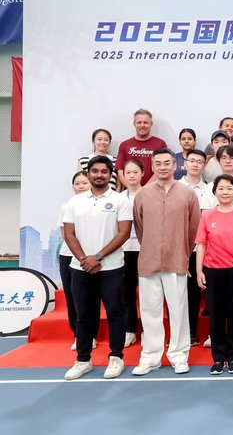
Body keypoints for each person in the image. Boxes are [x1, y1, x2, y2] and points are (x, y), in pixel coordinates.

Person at [131, 148, 201, 376]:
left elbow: (193, 229)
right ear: (152, 167)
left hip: (177, 260)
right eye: (158, 164)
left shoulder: (187, 194)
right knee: (150, 312)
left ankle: (179, 355)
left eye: (166, 163)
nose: (162, 167)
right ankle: (150, 357)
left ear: (174, 165)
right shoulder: (142, 194)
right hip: (148, 261)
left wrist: (183, 253)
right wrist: (151, 246)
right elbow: (139, 228)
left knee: (178, 311)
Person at [62, 156, 132, 380]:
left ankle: (116, 357)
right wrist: (85, 259)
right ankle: (83, 360)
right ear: (88, 173)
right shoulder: (74, 202)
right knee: (83, 315)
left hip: (111, 268)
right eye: (95, 171)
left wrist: (98, 257)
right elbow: (69, 234)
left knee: (115, 313)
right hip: (80, 268)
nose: (99, 175)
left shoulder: (120, 200)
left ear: (110, 175)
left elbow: (124, 233)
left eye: (104, 171)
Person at [195, 175, 233, 375]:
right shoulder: (207, 216)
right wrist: (199, 270)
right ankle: (218, 358)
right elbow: (202, 244)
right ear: (215, 192)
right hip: (213, 271)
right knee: (216, 315)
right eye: (221, 188)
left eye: (229, 188)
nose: (225, 192)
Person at [178, 149, 217, 345]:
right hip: (179, 248)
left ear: (204, 165)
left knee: (196, 291)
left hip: (202, 249)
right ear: (184, 163)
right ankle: (180, 333)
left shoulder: (210, 190)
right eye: (191, 161)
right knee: (178, 292)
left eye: (199, 162)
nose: (195, 164)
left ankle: (194, 332)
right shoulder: (175, 187)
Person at [58, 171, 95, 351]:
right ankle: (78, 335)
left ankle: (92, 334)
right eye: (77, 183)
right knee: (72, 297)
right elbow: (65, 234)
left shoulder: (96, 205)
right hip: (69, 256)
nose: (81, 186)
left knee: (91, 297)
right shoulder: (68, 206)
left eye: (84, 183)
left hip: (93, 257)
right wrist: (79, 254)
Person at [120, 160, 144, 348]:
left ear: (142, 173)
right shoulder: (118, 198)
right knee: (126, 291)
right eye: (128, 172)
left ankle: (147, 331)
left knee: (148, 292)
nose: (132, 175)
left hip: (145, 249)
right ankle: (129, 330)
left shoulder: (149, 194)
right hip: (124, 249)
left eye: (135, 172)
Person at [115, 109, 167, 189]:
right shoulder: (124, 145)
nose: (142, 125)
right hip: (131, 191)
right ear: (134, 124)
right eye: (139, 122)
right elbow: (120, 170)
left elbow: (162, 169)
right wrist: (132, 188)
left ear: (151, 124)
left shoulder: (160, 144)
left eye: (145, 122)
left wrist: (144, 189)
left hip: (155, 190)